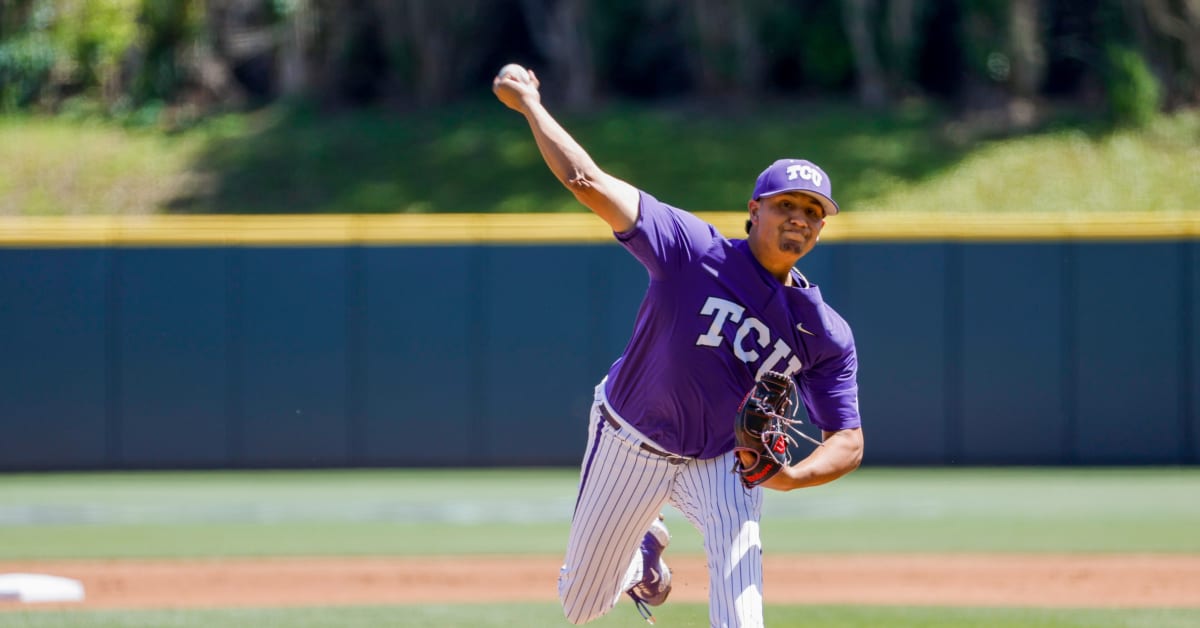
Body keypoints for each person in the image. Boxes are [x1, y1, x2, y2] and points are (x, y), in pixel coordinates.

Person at [493, 66, 865, 627]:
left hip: (723, 460)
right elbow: (587, 182)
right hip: (630, 439)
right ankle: (646, 559)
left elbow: (849, 440)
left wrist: (787, 476)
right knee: (582, 605)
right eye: (786, 204)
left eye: (813, 212)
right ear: (755, 208)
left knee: (742, 614)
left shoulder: (824, 332)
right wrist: (530, 105)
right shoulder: (693, 249)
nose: (800, 219)